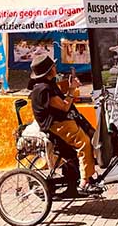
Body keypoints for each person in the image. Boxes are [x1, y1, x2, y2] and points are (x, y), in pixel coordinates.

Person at [28, 54, 101, 193]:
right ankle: (85, 181)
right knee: (84, 143)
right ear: (49, 71)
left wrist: (68, 87)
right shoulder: (43, 89)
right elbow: (64, 106)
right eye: (53, 66)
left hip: (62, 121)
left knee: (90, 134)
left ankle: (84, 173)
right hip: (56, 124)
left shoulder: (48, 84)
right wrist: (72, 89)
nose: (56, 67)